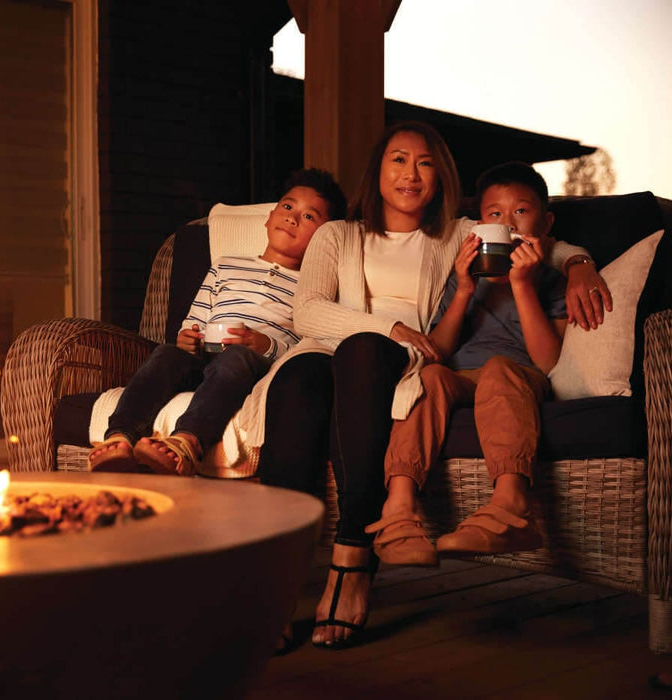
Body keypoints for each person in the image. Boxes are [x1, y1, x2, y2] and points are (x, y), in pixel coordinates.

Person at [243, 122, 612, 651]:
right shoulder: (336, 233)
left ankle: (352, 560)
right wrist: (387, 326)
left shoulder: (458, 234)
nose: (410, 174)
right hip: (331, 347)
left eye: (424, 163)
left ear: (440, 178)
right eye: (398, 159)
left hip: (398, 361)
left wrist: (578, 264)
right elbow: (309, 311)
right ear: (378, 170)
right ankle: (271, 581)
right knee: (297, 380)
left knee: (365, 354)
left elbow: (530, 237)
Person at [366, 161, 566, 567]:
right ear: (480, 225)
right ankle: (399, 511)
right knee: (428, 378)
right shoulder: (462, 279)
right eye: (495, 214)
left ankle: (512, 509)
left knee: (497, 368)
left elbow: (549, 362)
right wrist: (464, 291)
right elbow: (437, 348)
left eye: (521, 212)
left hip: (517, 376)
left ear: (545, 223)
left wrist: (522, 285)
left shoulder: (549, 279)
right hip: (457, 375)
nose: (507, 223)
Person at [87, 168, 348, 476]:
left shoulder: (310, 284)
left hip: (253, 370)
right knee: (167, 354)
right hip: (203, 357)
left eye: (309, 217)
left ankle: (185, 443)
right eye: (288, 207)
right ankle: (118, 437)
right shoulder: (226, 265)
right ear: (269, 217)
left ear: (324, 237)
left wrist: (265, 345)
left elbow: (307, 345)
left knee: (236, 358)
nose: (292, 218)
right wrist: (188, 336)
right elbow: (197, 316)